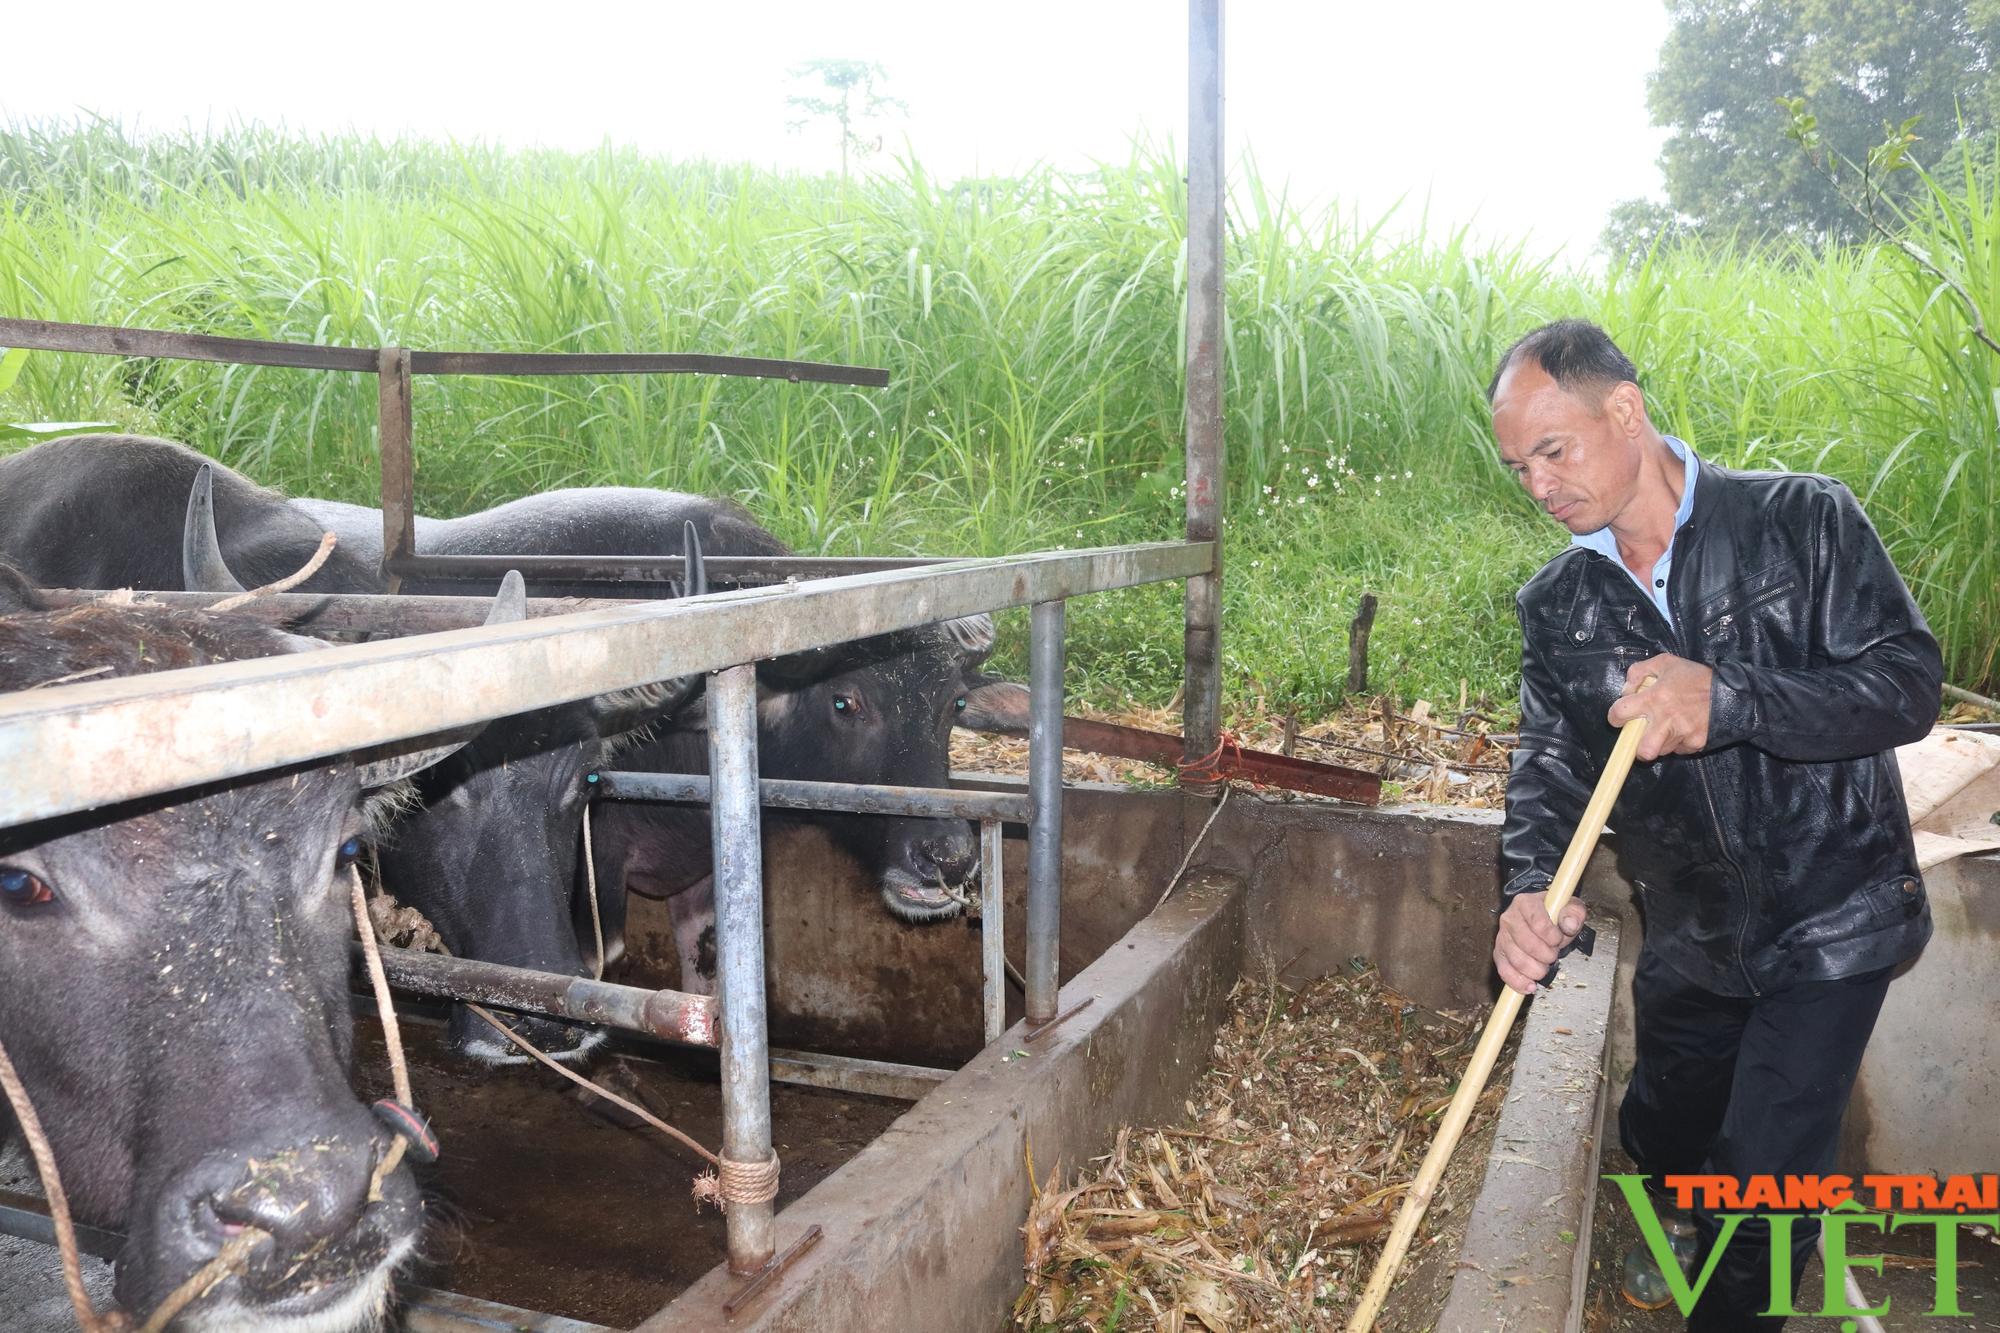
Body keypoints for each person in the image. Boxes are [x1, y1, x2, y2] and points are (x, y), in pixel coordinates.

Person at [1486, 320, 1941, 1330]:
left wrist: (1728, 698)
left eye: (1551, 452)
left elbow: (1904, 686)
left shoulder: (1801, 520)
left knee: (1767, 1180)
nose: (1537, 486)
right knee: (1665, 1111)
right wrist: (1527, 885)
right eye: (1517, 467)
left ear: (1624, 410)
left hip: (1834, 915)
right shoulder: (1559, 602)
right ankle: (1662, 1205)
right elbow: (1550, 760)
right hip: (1691, 922)